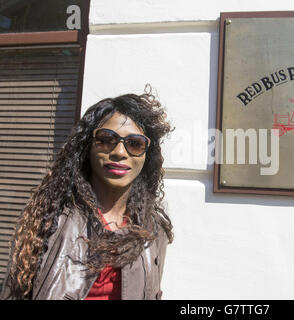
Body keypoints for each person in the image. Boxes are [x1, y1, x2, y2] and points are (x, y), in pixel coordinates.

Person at [0, 87, 174, 300]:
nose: (119, 152)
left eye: (135, 144)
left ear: (147, 156)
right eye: (106, 139)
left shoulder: (153, 230)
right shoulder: (50, 219)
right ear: (88, 148)